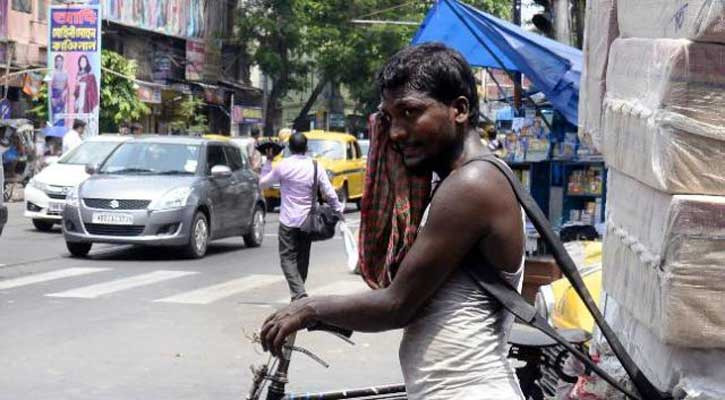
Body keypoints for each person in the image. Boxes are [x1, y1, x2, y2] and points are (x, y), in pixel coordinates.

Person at [259, 43, 526, 399]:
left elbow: (396, 305)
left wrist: (308, 307)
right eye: (389, 118)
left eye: (410, 113)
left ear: (459, 110)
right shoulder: (460, 180)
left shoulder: (471, 185)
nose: (396, 133)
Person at [258, 132, 344, 301]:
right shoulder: (315, 165)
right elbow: (329, 192)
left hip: (288, 221)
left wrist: (268, 160)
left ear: (289, 148)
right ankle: (298, 296)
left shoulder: (283, 165)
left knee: (287, 259)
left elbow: (263, 183)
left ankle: (298, 294)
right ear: (306, 148)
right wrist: (339, 210)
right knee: (302, 259)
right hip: (307, 221)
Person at [50, 54, 69, 126]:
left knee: (62, 114)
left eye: (60, 61)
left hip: (63, 96)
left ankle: (61, 131)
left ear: (63, 62)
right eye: (57, 61)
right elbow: (50, 86)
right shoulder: (53, 72)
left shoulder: (66, 73)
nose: (59, 62)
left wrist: (65, 92)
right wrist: (52, 98)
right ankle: (56, 132)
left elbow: (67, 85)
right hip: (55, 95)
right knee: (56, 115)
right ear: (55, 62)